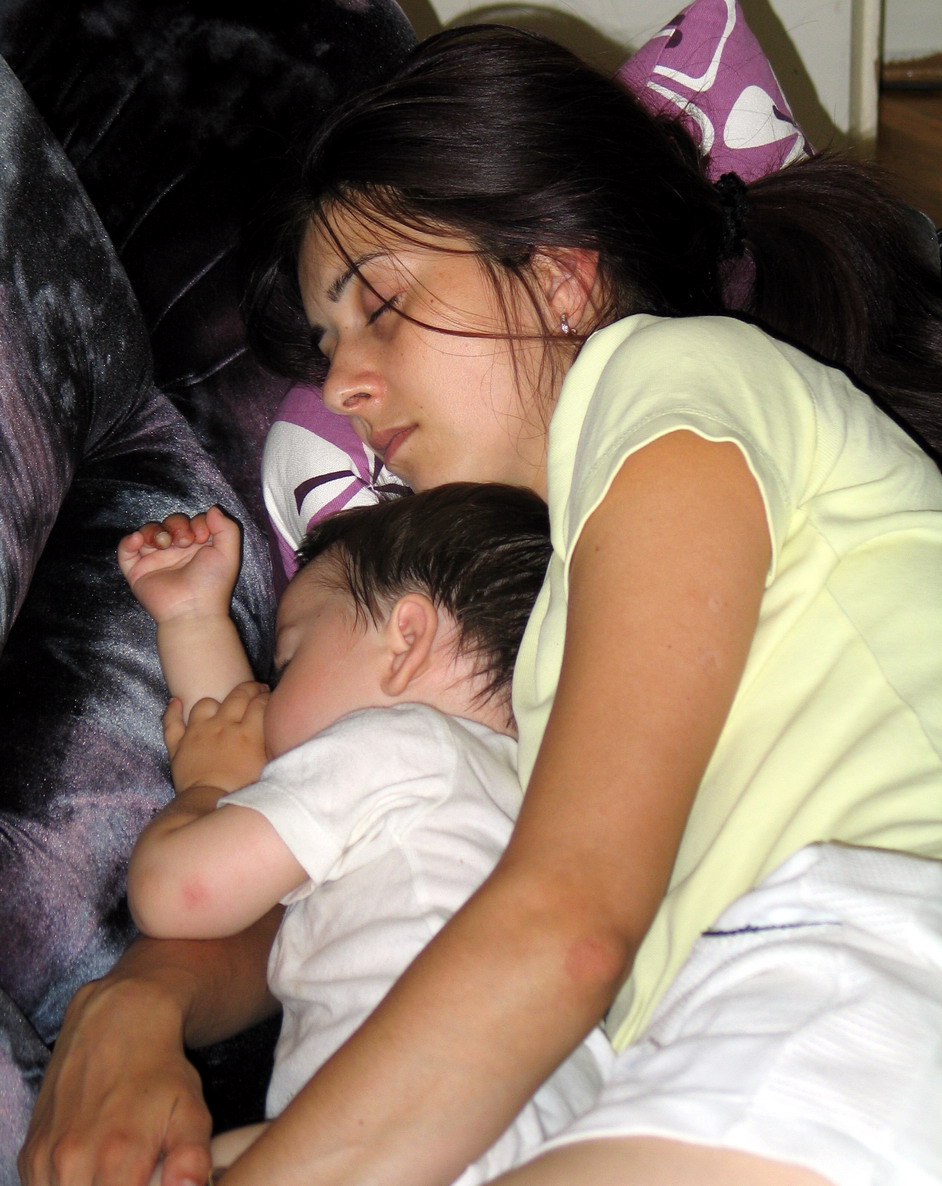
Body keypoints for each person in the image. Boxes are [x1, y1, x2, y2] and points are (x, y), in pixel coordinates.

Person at [20, 23, 942, 1186]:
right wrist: (141, 998)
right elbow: (389, 863)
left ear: (558, 280)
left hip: (868, 964)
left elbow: (565, 923)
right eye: (327, 344)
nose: (342, 384)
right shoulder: (547, 619)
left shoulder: (674, 377)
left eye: (381, 307)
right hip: (719, 1033)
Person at [117, 485, 611, 1184]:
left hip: (424, 1134)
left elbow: (183, 890)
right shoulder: (513, 798)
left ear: (405, 642)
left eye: (288, 661)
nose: (268, 693)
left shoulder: (400, 744)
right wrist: (193, 619)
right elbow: (261, 774)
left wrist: (207, 785)